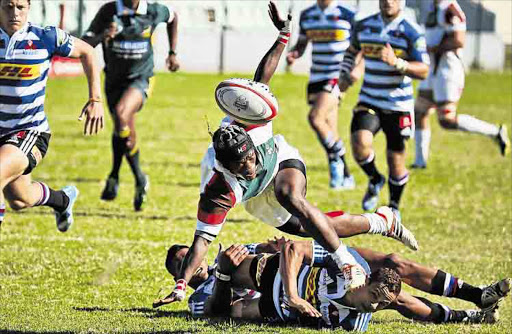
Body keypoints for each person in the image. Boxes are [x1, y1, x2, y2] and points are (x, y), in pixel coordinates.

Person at [160, 1, 419, 307]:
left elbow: (261, 79)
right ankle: (380, 221)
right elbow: (201, 241)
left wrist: (284, 35)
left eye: (250, 157)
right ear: (226, 167)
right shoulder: (218, 189)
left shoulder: (249, 119)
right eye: (241, 165)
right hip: (256, 198)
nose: (249, 166)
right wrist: (181, 284)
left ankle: (345, 261)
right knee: (317, 225)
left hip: (281, 160)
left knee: (289, 195)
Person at [159, 239, 510, 329]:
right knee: (392, 300)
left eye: (190, 253)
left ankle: (478, 296)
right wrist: (221, 274)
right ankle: (467, 318)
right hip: (279, 298)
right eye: (182, 262)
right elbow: (216, 313)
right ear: (181, 275)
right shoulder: (200, 295)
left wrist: (269, 247)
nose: (191, 260)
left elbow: (284, 248)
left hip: (296, 278)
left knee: (395, 266)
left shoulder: (234, 253)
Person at [0, 0, 104, 231]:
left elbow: (87, 51)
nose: (14, 13)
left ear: (28, 8)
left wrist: (95, 99)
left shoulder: (45, 37)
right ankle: (63, 200)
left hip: (29, 130)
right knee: (20, 199)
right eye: (8, 7)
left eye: (20, 7)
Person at [82, 0, 180, 211]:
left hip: (141, 78)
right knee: (123, 129)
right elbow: (85, 43)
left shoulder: (153, 11)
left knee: (121, 114)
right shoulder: (109, 11)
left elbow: (173, 17)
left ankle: (135, 178)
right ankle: (120, 176)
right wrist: (103, 35)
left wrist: (172, 52)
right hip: (114, 81)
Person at [338, 0, 430, 219]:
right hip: (370, 99)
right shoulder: (364, 25)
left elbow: (424, 70)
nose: (388, 1)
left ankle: (393, 207)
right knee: (360, 144)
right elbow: (352, 51)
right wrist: (344, 78)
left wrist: (397, 63)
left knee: (395, 160)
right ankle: (375, 179)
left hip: (399, 105)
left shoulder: (412, 31)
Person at [412, 0, 510, 168]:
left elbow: (458, 40)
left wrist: (432, 49)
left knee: (446, 120)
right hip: (432, 69)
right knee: (420, 111)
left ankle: (495, 132)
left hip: (447, 71)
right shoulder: (433, 7)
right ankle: (420, 162)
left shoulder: (450, 9)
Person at [286, 0, 358, 190]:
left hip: (337, 76)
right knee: (329, 129)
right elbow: (302, 43)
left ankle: (337, 164)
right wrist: (294, 53)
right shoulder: (308, 14)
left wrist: (354, 70)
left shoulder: (348, 13)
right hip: (316, 75)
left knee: (315, 118)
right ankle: (345, 175)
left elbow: (360, 46)